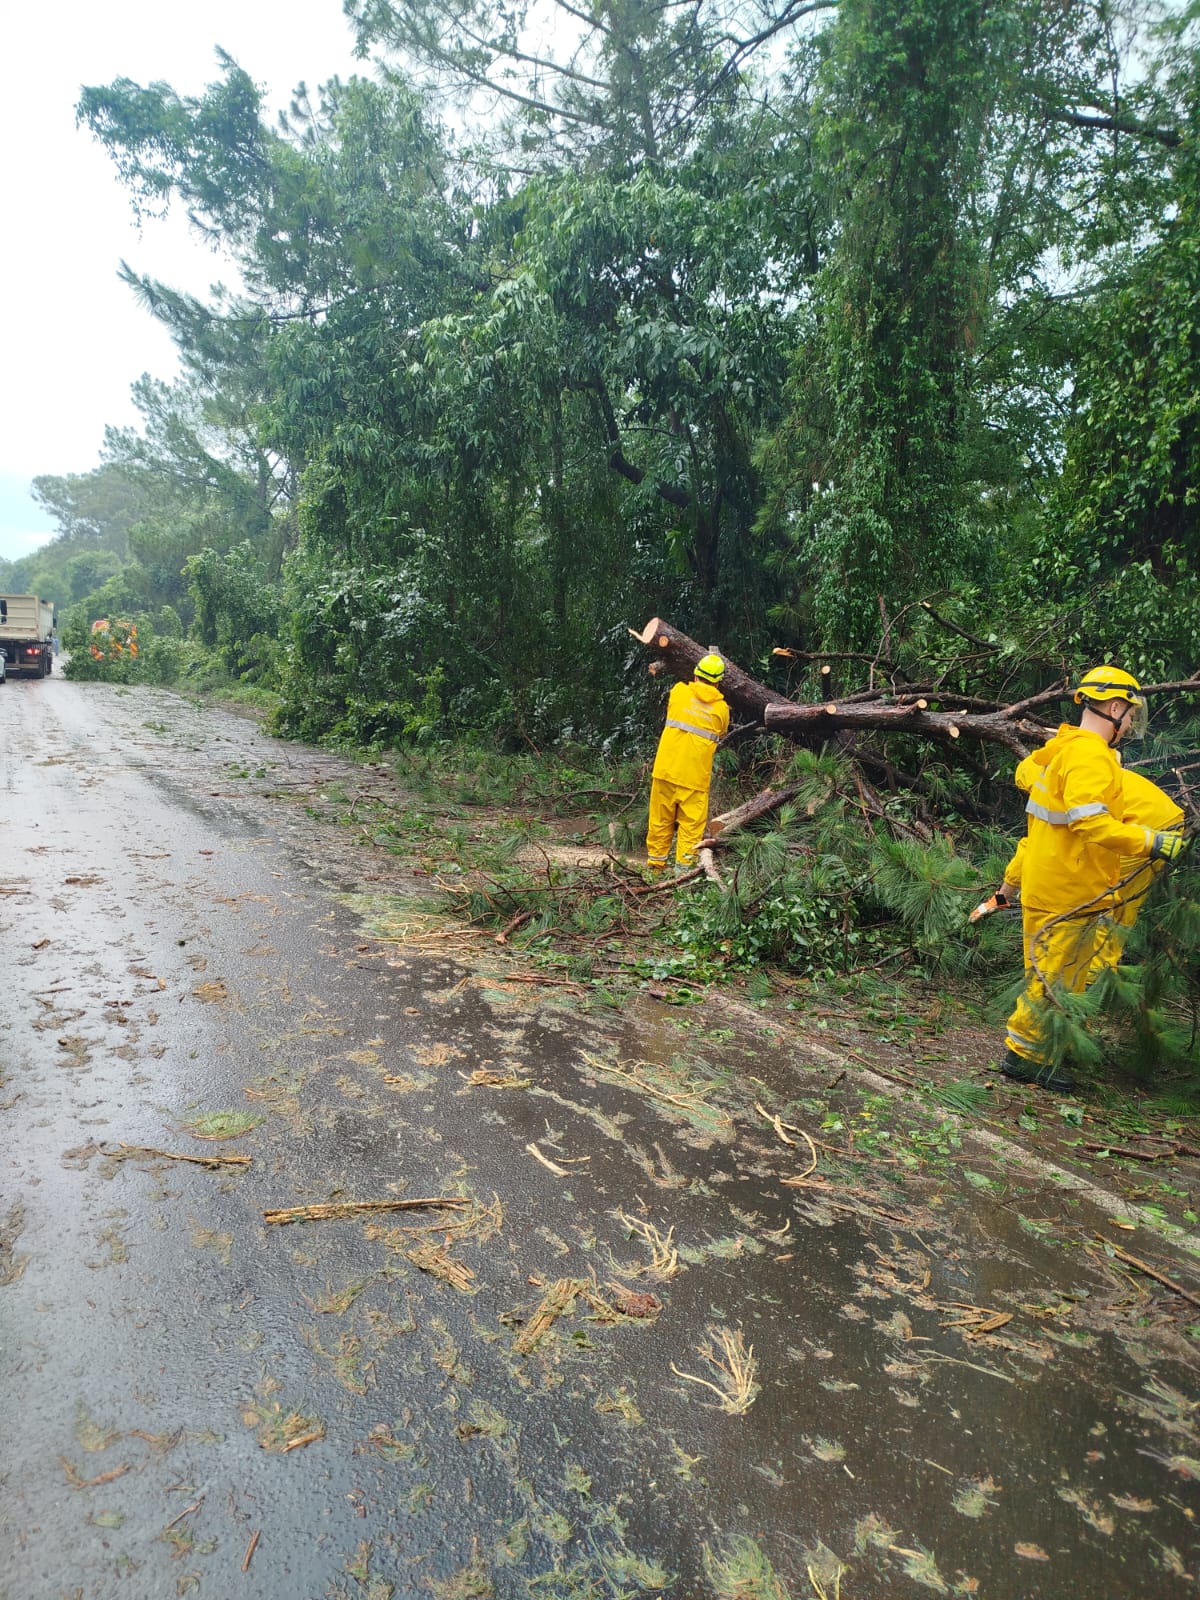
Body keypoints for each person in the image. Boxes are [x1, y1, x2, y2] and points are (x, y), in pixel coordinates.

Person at [980, 667, 1184, 1092]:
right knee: (1055, 974)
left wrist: (1004, 893)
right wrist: (1152, 842)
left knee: (1054, 971)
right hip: (1070, 889)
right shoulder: (1089, 757)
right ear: (1114, 708)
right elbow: (1093, 825)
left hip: (1052, 882)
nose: (1128, 725)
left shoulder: (1062, 754)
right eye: (1128, 716)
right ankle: (1026, 1057)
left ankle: (1054, 1042)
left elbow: (1036, 837)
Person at [645, 653, 730, 875]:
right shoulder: (722, 710)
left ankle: (655, 870)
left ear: (695, 674)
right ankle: (683, 877)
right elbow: (721, 732)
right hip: (695, 779)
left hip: (665, 771)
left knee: (660, 822)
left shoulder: (678, 692)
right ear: (719, 682)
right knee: (690, 829)